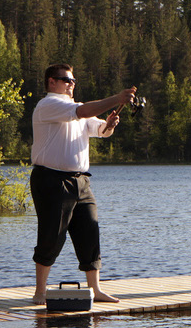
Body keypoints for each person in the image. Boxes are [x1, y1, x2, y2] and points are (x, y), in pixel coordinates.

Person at [30, 63, 135, 305]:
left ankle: (95, 289)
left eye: (73, 80)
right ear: (51, 82)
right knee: (51, 235)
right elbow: (83, 112)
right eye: (66, 79)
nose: (71, 83)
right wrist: (117, 98)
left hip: (81, 181)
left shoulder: (75, 109)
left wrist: (108, 125)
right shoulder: (49, 105)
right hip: (51, 179)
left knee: (90, 231)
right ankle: (40, 292)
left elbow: (96, 128)